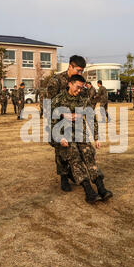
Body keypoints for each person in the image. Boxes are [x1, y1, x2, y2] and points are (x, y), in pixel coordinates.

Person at [51, 75, 113, 204]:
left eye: (81, 88)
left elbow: (91, 118)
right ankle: (89, 191)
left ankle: (101, 187)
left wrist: (96, 137)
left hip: (80, 134)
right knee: (75, 158)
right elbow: (51, 123)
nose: (79, 90)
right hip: (65, 135)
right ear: (70, 84)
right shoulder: (58, 100)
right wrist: (60, 137)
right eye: (77, 87)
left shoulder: (83, 100)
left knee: (89, 154)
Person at [46, 55, 87, 190]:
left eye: (82, 71)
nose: (80, 73)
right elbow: (48, 105)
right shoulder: (56, 81)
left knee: (76, 149)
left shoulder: (78, 82)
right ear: (70, 66)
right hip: (59, 121)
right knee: (61, 149)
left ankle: (72, 172)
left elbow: (83, 101)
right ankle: (64, 177)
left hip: (75, 121)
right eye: (78, 70)